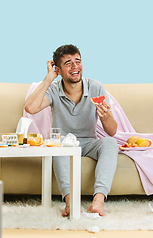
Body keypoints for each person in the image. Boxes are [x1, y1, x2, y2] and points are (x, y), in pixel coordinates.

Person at [24, 44, 118, 216]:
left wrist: (105, 117)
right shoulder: (53, 89)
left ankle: (98, 201)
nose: (75, 66)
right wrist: (48, 78)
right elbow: (30, 107)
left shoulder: (96, 87)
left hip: (89, 142)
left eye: (78, 61)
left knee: (110, 143)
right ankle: (70, 202)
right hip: (64, 144)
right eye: (68, 63)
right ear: (58, 70)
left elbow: (112, 131)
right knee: (56, 146)